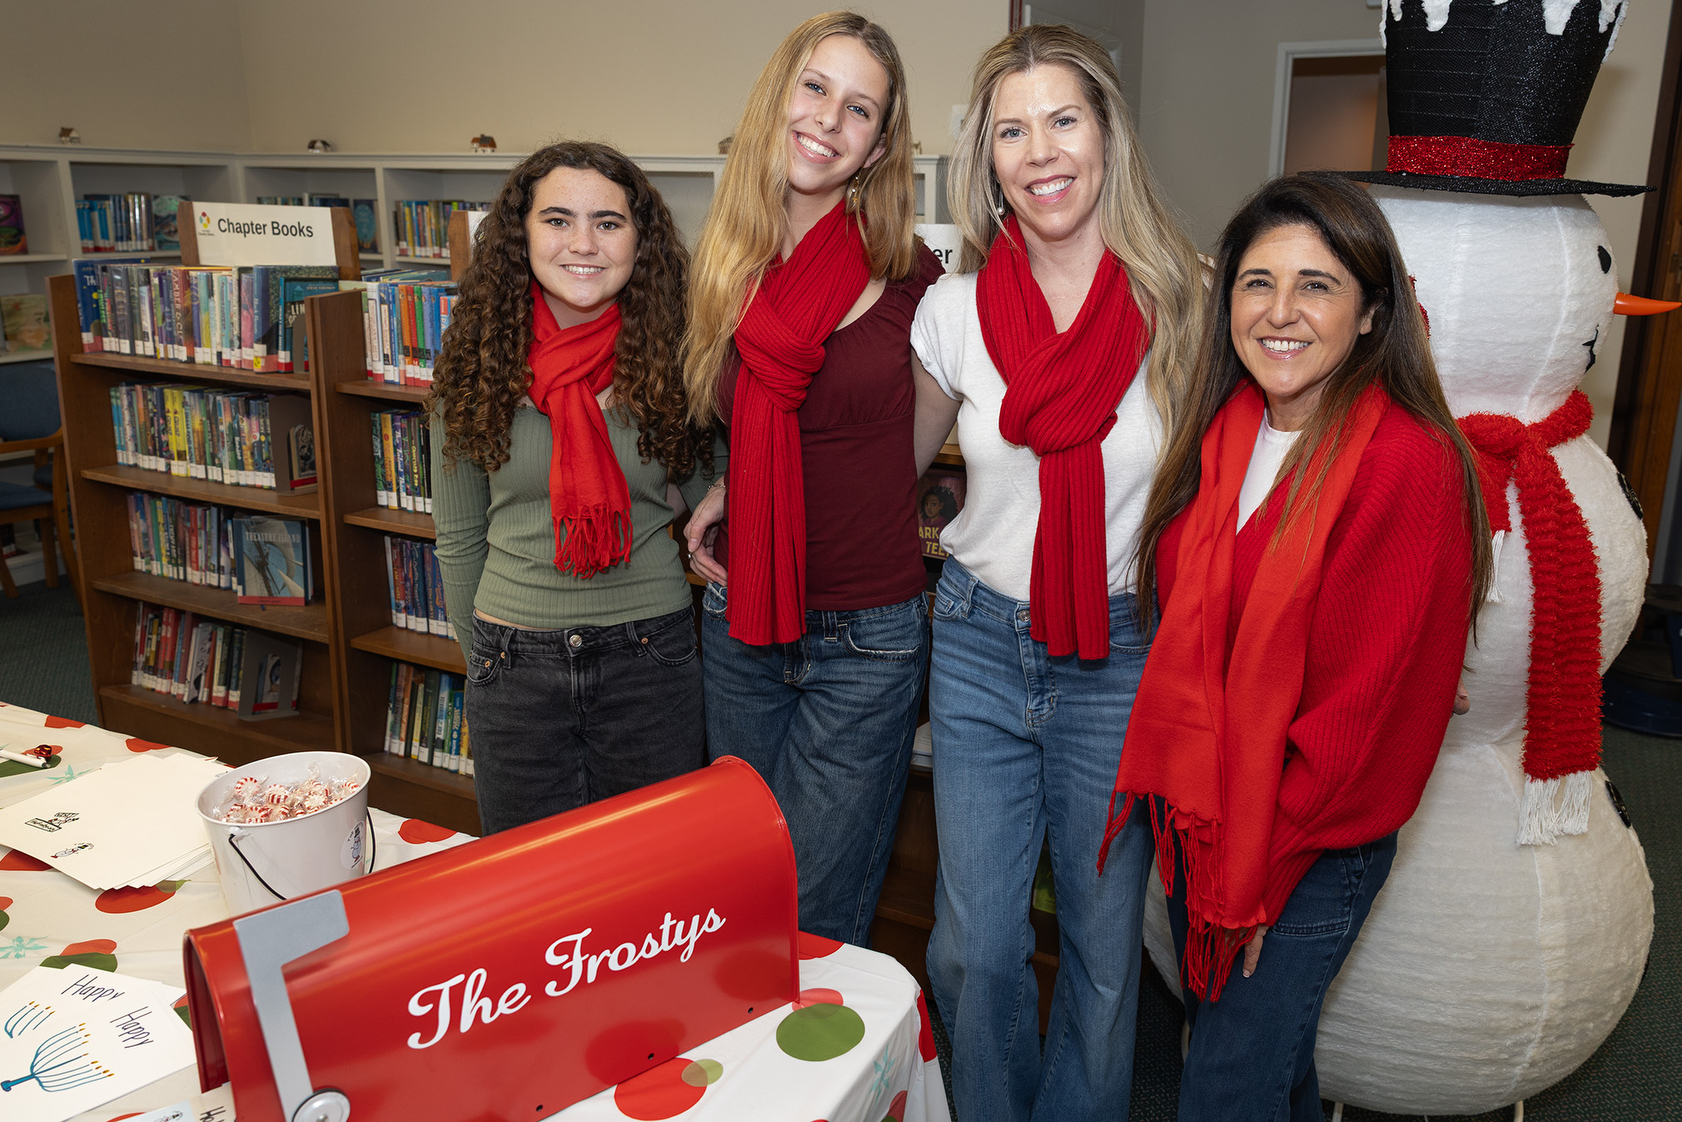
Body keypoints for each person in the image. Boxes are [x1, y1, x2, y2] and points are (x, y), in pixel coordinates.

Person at [1103, 171, 1491, 1121]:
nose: (1280, 312)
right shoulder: (1224, 433)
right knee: (1267, 1068)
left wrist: (1263, 879)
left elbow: (1357, 721)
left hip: (1307, 845)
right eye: (1257, 282)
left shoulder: (1408, 462)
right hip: (1212, 820)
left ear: (1372, 314)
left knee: (1223, 1088)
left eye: (1317, 285)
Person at [908, 25, 1205, 1122]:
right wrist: (728, 488)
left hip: (1121, 655)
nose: (1040, 150)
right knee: (974, 946)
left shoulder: (1186, 302)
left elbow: (1247, 487)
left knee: (1101, 949)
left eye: (1062, 119)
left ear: (1106, 135)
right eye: (1010, 130)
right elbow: (887, 468)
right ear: (987, 160)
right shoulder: (953, 312)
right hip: (978, 643)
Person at [681, 11, 944, 946]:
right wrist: (734, 487)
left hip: (864, 636)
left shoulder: (915, 277)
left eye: (860, 109)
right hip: (740, 614)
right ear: (779, 97)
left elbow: (912, 447)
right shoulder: (726, 260)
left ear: (880, 144)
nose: (830, 120)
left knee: (815, 920)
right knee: (741, 892)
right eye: (816, 88)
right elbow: (740, 419)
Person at [429, 141, 720, 835]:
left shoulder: (676, 356)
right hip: (513, 663)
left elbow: (716, 490)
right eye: (558, 220)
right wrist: (487, 664)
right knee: (529, 882)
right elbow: (459, 539)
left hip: (651, 659)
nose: (583, 244)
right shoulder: (475, 362)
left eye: (608, 223)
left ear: (639, 240)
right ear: (521, 234)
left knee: (655, 874)